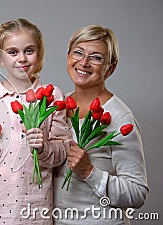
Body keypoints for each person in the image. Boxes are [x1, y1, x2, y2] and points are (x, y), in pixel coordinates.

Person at [0, 18, 70, 225]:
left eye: (29, 51)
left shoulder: (53, 96)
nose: (21, 58)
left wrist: (44, 148)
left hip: (35, 206)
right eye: (12, 52)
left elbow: (62, 151)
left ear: (39, 53)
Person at [53, 25, 149, 224]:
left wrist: (89, 172)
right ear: (68, 56)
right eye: (78, 52)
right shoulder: (58, 107)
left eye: (96, 57)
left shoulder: (120, 117)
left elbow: (138, 193)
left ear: (110, 68)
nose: (84, 62)